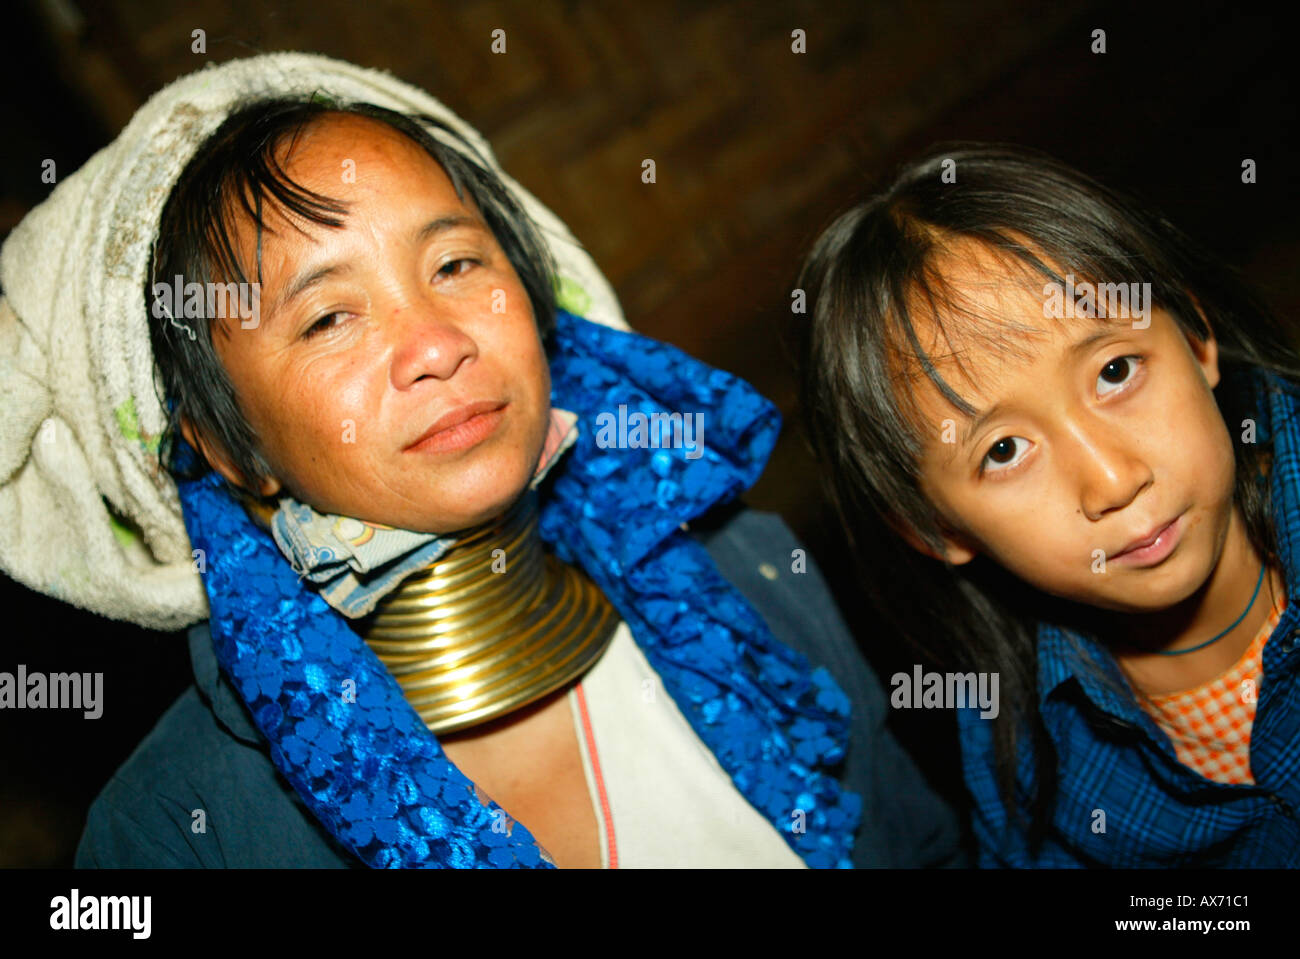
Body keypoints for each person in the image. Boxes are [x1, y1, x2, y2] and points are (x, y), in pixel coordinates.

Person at [0, 53, 964, 868]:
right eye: (330, 314)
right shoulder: (179, 829)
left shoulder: (749, 577)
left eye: (458, 265)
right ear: (227, 447)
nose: (437, 342)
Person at [797, 142, 1300, 867]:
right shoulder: (1026, 764)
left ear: (1195, 339)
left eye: (1116, 371)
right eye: (1003, 451)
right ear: (933, 528)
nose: (1112, 480)